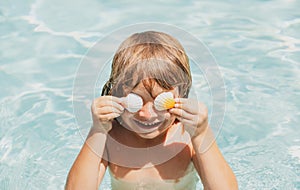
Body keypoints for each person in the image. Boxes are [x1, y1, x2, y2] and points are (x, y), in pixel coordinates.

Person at [66, 31, 238, 190]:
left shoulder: (187, 136)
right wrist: (97, 130)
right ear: (117, 93)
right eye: (135, 101)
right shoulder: (111, 138)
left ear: (182, 94)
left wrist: (202, 134)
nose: (146, 114)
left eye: (161, 102)